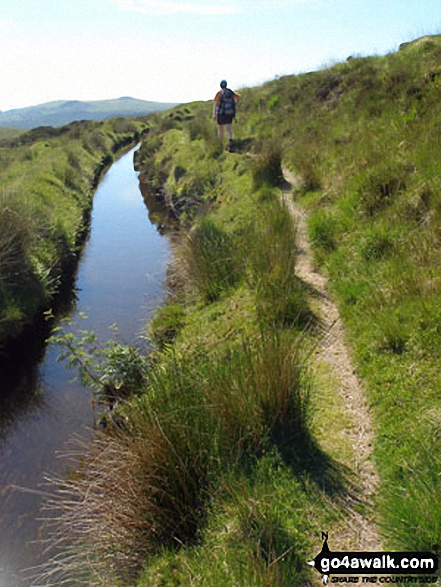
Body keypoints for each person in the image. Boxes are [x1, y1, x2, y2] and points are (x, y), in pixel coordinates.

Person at [213, 80, 241, 151]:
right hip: (229, 113)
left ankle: (220, 144)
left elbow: (215, 104)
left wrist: (214, 114)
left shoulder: (219, 93)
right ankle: (231, 142)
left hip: (221, 114)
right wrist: (234, 103)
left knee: (220, 128)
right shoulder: (230, 92)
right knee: (228, 128)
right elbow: (239, 97)